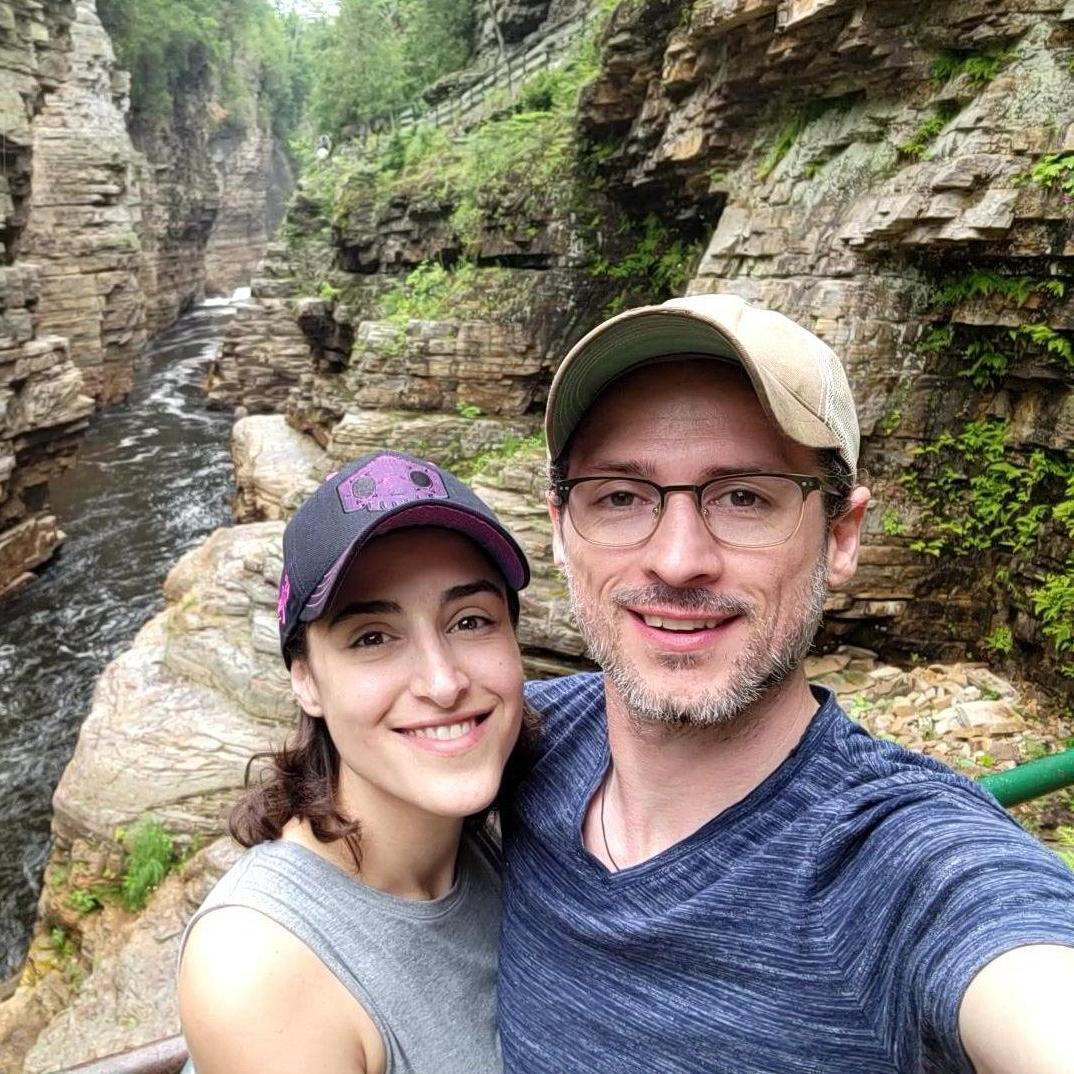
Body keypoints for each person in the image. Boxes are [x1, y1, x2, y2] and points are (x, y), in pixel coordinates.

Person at [498, 294, 1074, 1074]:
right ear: (561, 531)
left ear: (842, 536)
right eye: (620, 497)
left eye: (744, 497)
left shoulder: (901, 862)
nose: (676, 559)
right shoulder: (510, 743)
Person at [179, 450, 530, 1074]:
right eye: (372, 637)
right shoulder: (261, 963)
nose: (443, 682)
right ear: (306, 682)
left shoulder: (501, 841)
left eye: (471, 620)